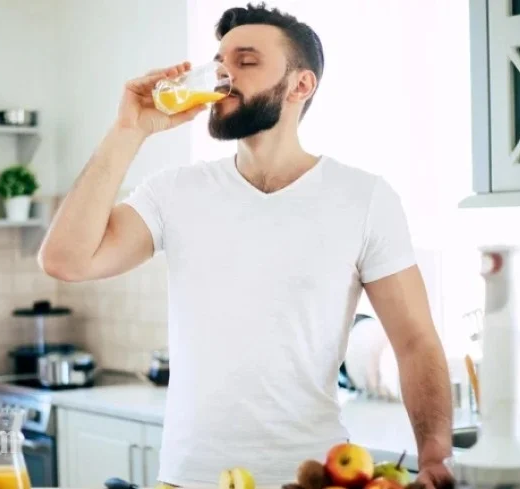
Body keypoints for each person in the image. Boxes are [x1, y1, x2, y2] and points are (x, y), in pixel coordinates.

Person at [39, 3, 454, 488]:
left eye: (246, 61)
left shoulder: (363, 199)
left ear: (301, 85)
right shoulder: (173, 192)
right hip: (188, 478)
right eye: (220, 60)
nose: (222, 73)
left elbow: (415, 342)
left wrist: (433, 456)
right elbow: (65, 260)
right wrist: (129, 130)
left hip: (311, 477)